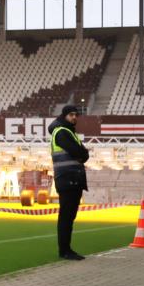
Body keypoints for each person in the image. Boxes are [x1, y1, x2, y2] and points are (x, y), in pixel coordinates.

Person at [49, 105, 90, 260]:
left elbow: (83, 155)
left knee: (69, 216)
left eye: (76, 115)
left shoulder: (68, 132)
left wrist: (83, 154)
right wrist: (82, 154)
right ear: (64, 115)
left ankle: (66, 249)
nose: (74, 117)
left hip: (71, 179)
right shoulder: (62, 132)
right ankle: (65, 251)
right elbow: (80, 153)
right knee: (66, 217)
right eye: (71, 114)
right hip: (68, 178)